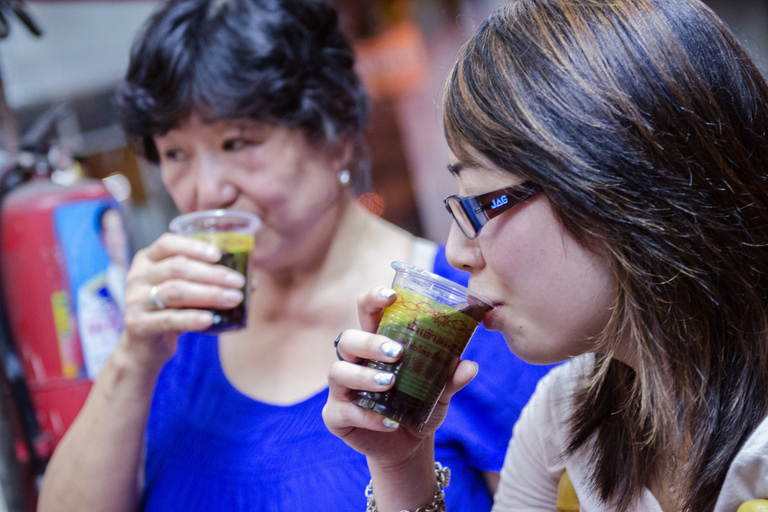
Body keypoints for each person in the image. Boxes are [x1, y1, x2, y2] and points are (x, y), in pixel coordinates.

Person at [36, 0, 555, 511]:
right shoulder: (176, 335)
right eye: (175, 153)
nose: (206, 190)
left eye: (237, 142)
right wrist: (133, 358)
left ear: (336, 134)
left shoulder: (464, 319)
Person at [323, 0, 768, 511]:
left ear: (622, 184)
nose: (455, 252)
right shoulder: (566, 418)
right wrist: (401, 469)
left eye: (481, 205)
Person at [76, 205, 130, 379]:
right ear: (102, 239)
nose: (118, 239)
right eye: (111, 232)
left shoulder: (150, 278)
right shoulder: (92, 294)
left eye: (120, 229)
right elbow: (97, 364)